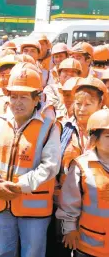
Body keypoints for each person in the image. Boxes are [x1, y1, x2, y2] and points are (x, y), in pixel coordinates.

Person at [0, 67, 61, 257]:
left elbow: (50, 166)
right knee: (4, 252)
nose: (17, 103)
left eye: (24, 97)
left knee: (32, 253)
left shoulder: (49, 127)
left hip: (33, 208)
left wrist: (20, 186)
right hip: (2, 203)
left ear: (36, 100)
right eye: (14, 96)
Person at [47, 77, 106, 257]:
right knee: (63, 246)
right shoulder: (63, 126)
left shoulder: (106, 129)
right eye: (78, 103)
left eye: (88, 104)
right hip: (64, 202)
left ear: (100, 103)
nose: (81, 108)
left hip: (96, 204)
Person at [56, 108, 109, 257]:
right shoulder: (81, 165)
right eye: (108, 136)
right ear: (95, 138)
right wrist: (69, 229)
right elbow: (69, 202)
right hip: (90, 245)